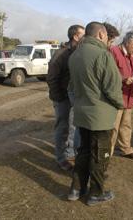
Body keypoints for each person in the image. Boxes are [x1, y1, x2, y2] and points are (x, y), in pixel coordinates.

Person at [67, 22, 124, 205]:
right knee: (100, 156)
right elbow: (113, 88)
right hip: (100, 117)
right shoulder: (103, 55)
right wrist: (120, 105)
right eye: (107, 36)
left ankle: (76, 189)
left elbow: (73, 87)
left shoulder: (74, 55)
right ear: (100, 34)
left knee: (83, 151)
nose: (108, 40)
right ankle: (96, 194)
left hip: (82, 114)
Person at [47, 24, 85, 171]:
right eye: (83, 34)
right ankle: (61, 159)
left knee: (73, 127)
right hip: (62, 97)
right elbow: (51, 78)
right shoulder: (61, 54)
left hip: (72, 95)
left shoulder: (77, 52)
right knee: (62, 127)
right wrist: (60, 98)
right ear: (75, 36)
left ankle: (70, 153)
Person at [109, 31, 133, 160]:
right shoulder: (113, 52)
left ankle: (126, 149)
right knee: (113, 127)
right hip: (117, 97)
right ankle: (108, 153)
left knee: (126, 125)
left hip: (129, 97)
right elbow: (110, 73)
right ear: (127, 43)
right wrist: (123, 79)